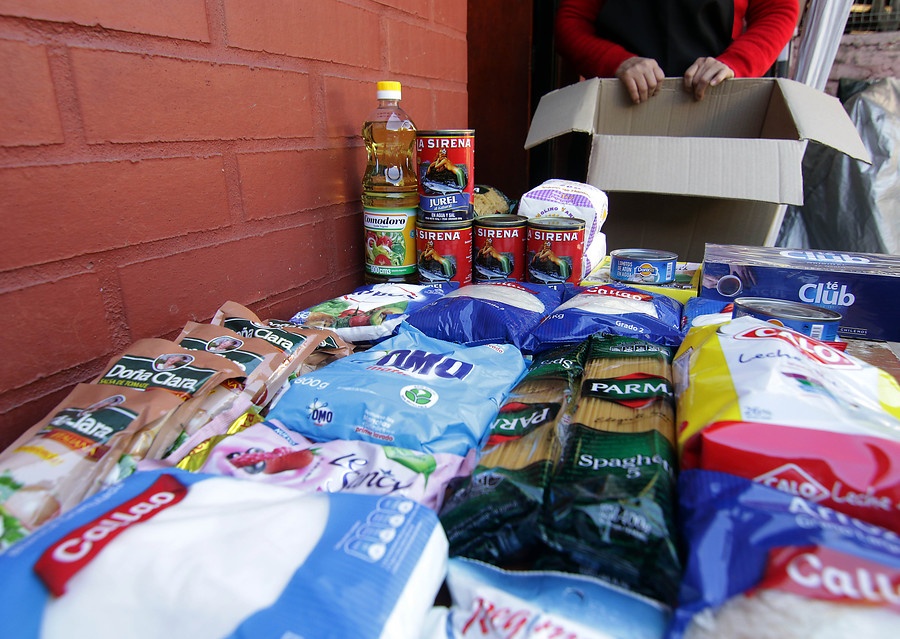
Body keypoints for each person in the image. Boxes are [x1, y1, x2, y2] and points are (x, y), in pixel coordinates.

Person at [554, 0, 800, 104]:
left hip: (712, 111)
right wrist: (615, 61)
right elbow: (571, 20)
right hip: (614, 108)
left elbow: (778, 11)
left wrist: (736, 62)